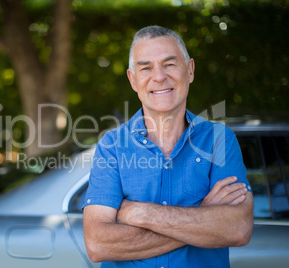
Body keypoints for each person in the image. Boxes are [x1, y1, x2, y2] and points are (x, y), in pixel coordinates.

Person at [82, 25, 253, 267]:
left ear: (190, 70)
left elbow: (237, 228)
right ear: (133, 80)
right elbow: (98, 245)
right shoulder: (112, 146)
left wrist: (141, 214)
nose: (159, 76)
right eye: (146, 68)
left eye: (169, 64)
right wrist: (203, 216)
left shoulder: (219, 140)